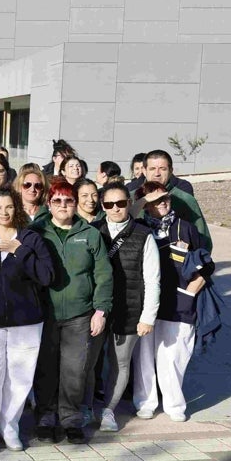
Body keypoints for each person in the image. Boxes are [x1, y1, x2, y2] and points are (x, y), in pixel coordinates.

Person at [0, 186, 54, 452]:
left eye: (8, 207)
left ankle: (10, 427)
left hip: (26, 322)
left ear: (16, 208)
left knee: (20, 380)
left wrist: (20, 250)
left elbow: (46, 276)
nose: (3, 212)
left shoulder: (31, 238)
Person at [32, 179, 113, 445]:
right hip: (45, 315)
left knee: (75, 370)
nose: (63, 205)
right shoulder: (37, 232)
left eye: (68, 200)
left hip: (80, 315)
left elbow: (103, 274)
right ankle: (46, 416)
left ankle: (70, 419)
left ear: (76, 204)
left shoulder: (89, 234)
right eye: (57, 201)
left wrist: (101, 310)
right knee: (46, 368)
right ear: (49, 204)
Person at [134, 182, 214, 423]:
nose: (163, 203)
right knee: (143, 357)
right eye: (156, 200)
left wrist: (190, 292)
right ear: (145, 205)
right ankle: (145, 401)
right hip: (146, 303)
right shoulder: (137, 228)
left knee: (174, 356)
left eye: (165, 198)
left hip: (178, 302)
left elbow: (206, 265)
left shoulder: (185, 228)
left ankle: (174, 404)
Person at [92, 182, 159, 433]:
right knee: (89, 363)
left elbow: (153, 280)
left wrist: (148, 317)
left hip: (129, 308)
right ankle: (87, 406)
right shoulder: (92, 231)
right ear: (102, 206)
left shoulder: (143, 235)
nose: (115, 208)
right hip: (97, 309)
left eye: (120, 203)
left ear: (129, 204)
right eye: (109, 204)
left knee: (120, 362)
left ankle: (108, 409)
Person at [136, 150, 210, 250]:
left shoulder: (185, 199)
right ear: (144, 171)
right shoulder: (132, 198)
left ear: (171, 171)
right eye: (152, 169)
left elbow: (203, 240)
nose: (157, 174)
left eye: (162, 169)